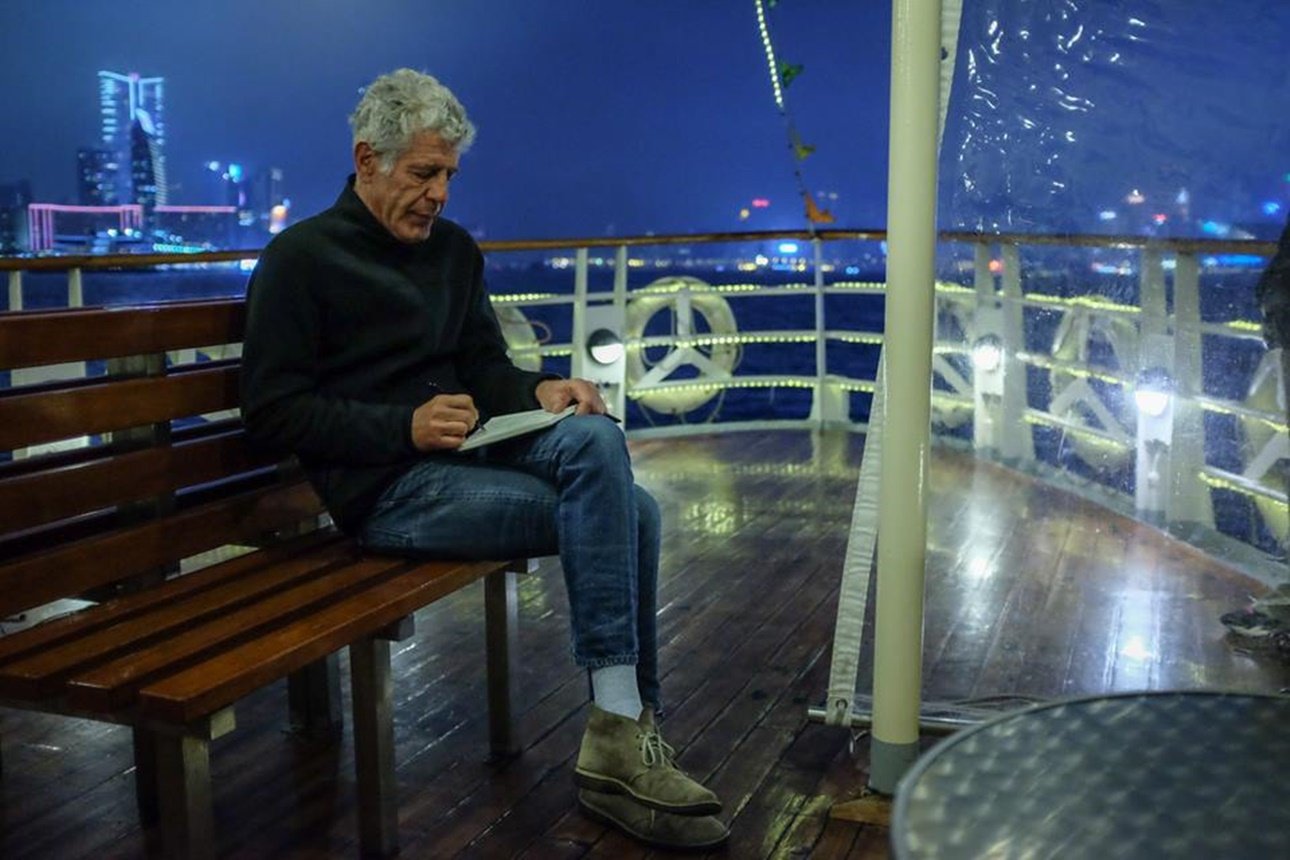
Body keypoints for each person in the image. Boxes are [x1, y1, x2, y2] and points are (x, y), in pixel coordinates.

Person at [239, 68, 728, 850]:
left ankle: (621, 724)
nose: (438, 194)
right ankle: (623, 735)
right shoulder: (302, 260)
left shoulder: (453, 252)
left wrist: (543, 389)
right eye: (422, 173)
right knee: (628, 511)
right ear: (368, 161)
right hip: (387, 494)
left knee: (602, 448)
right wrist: (403, 427)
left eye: (448, 176)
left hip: (465, 463)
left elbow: (483, 369)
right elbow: (270, 412)